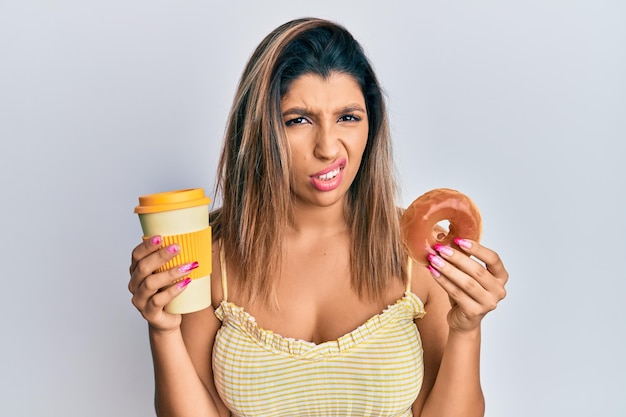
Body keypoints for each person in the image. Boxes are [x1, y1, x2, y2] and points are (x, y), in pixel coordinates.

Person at [128, 17, 508, 417]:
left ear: (371, 126)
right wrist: (163, 330)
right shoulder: (211, 259)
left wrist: (466, 328)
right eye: (299, 120)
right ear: (260, 130)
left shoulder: (417, 253)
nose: (328, 148)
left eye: (348, 117)